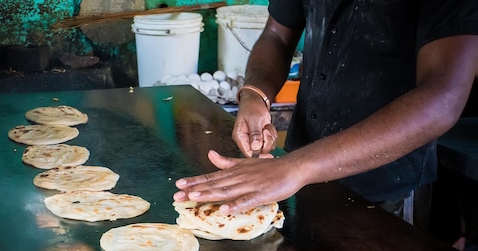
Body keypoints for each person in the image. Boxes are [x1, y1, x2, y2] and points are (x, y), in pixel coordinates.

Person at [174, 0, 478, 229]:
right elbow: (277, 36)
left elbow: (442, 98)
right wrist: (256, 95)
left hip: (387, 192)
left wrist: (296, 168)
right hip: (300, 175)